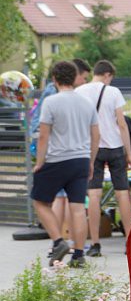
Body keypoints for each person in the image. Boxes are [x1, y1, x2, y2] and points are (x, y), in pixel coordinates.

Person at [30, 61, 99, 268]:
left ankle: (59, 241)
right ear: (75, 77)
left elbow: (43, 136)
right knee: (77, 207)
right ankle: (78, 255)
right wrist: (91, 161)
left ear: (54, 79)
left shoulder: (51, 102)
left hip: (57, 160)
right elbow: (96, 135)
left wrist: (40, 162)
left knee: (39, 201)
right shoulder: (86, 103)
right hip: (81, 160)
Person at [76, 60, 131, 255]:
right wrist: (130, 153)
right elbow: (122, 124)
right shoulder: (113, 92)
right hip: (115, 147)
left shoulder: (80, 92)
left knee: (94, 195)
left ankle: (95, 244)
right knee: (122, 193)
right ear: (107, 74)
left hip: (92, 148)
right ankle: (130, 241)